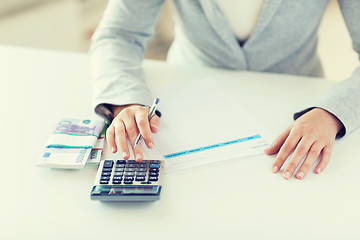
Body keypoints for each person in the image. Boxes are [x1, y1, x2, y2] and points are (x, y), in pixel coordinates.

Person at [90, 0, 360, 180]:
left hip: (297, 108)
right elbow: (118, 34)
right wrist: (125, 100)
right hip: (187, 108)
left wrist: (332, 113)